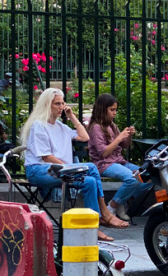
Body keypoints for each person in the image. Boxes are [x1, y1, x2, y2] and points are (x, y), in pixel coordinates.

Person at [21, 88, 125, 242]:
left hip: (60, 170)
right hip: (39, 170)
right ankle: (105, 212)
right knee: (91, 167)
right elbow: (46, 156)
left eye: (63, 103)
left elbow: (84, 137)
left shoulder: (61, 126)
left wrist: (72, 117)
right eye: (57, 103)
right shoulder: (39, 125)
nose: (61, 106)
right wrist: (69, 167)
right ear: (46, 105)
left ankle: (94, 228)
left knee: (89, 182)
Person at [86, 93, 152, 221]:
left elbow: (125, 145)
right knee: (133, 179)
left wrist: (128, 135)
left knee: (148, 176)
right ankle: (111, 207)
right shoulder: (96, 128)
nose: (114, 113)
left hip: (118, 161)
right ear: (102, 109)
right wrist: (119, 138)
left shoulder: (111, 125)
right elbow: (103, 153)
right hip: (104, 164)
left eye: (115, 109)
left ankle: (121, 201)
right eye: (112, 110)